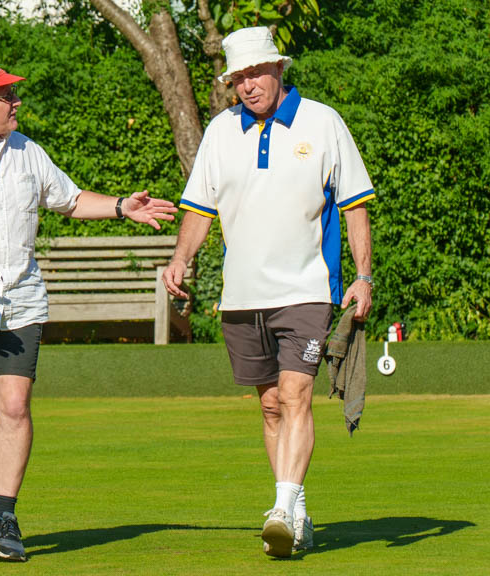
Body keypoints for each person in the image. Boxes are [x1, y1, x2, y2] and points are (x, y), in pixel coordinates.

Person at [0, 60, 177, 562]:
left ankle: (6, 517)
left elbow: (68, 199)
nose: (16, 102)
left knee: (15, 407)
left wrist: (119, 207)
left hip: (19, 302)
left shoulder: (27, 152)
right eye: (6, 95)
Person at [162, 27, 374, 557]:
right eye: (238, 78)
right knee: (271, 405)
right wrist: (180, 259)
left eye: (256, 73)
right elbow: (199, 209)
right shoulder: (219, 131)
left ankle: (280, 508)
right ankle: (296, 506)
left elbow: (356, 205)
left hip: (307, 288)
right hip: (241, 295)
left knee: (297, 393)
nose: (248, 86)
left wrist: (363, 276)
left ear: (279, 70)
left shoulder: (323, 122)